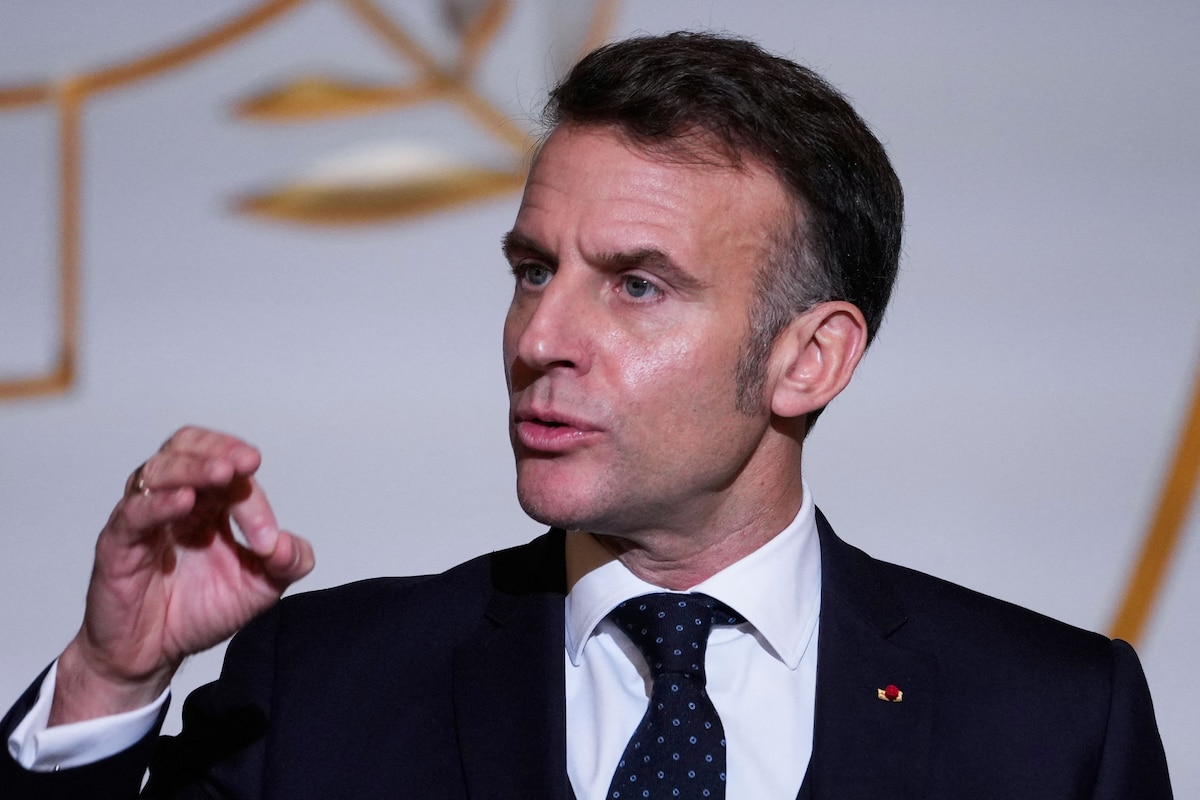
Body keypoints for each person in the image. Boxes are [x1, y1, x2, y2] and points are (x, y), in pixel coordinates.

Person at [1, 31, 1171, 799]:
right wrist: (107, 683)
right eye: (530, 267)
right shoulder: (322, 683)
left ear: (810, 359)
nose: (539, 336)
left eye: (636, 283)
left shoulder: (1055, 722)